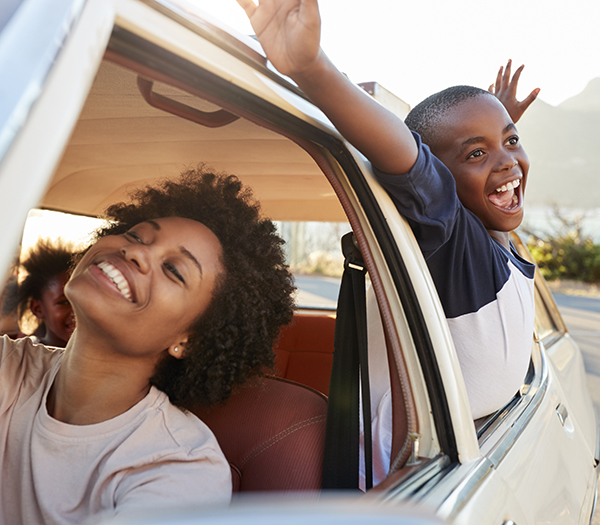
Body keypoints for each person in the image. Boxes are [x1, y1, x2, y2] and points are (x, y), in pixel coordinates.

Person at [237, 0, 539, 483]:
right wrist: (313, 70)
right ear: (437, 180)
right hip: (394, 486)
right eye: (476, 153)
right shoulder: (454, 244)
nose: (507, 161)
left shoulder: (491, 240)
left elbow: (494, 204)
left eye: (512, 140)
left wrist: (491, 117)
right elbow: (413, 165)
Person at [0, 169, 295, 523]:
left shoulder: (180, 467)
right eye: (135, 235)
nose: (136, 252)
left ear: (189, 340)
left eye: (173, 270)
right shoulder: (11, 364)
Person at [16, 239, 75, 347]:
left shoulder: (101, 352)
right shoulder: (25, 353)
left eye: (82, 301)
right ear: (38, 309)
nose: (77, 311)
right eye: (64, 302)